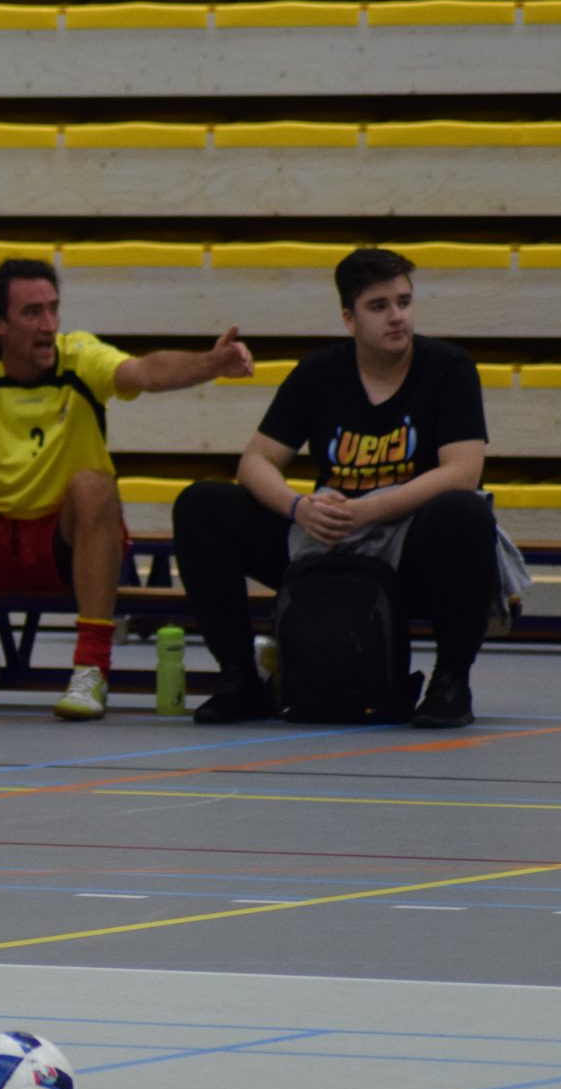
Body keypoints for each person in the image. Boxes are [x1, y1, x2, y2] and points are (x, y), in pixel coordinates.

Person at [0, 258, 255, 721]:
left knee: (94, 485)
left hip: (63, 548)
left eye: (53, 309)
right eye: (32, 312)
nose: (48, 324)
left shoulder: (80, 358)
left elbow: (146, 372)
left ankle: (91, 671)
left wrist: (210, 363)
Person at [172, 248, 495, 729]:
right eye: (378, 306)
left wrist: (370, 510)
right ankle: (240, 678)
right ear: (349, 318)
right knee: (201, 505)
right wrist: (298, 507)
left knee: (465, 512)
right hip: (327, 535)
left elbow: (463, 471)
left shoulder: (449, 368)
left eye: (404, 302)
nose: (397, 316)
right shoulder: (318, 372)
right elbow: (255, 461)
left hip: (407, 541)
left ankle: (450, 681)